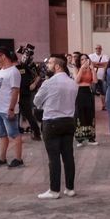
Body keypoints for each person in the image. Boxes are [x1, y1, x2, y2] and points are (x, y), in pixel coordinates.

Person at [31, 55, 78, 200]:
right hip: (68, 120)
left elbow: (37, 101)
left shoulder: (49, 83)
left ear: (57, 66)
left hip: (52, 121)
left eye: (50, 63)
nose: (47, 66)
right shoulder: (72, 83)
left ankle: (54, 189)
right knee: (68, 156)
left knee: (54, 157)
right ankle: (70, 188)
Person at [0, 48, 24, 168]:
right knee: (1, 134)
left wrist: (11, 108)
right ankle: (2, 158)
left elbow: (15, 91)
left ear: (3, 56)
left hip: (7, 108)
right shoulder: (1, 70)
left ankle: (18, 159)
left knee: (13, 134)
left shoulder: (13, 72)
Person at [73, 54, 97, 146]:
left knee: (90, 113)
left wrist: (93, 69)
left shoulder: (90, 69)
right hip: (79, 92)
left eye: (86, 59)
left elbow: (95, 81)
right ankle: (80, 138)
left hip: (88, 91)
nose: (84, 60)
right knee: (80, 113)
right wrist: (82, 69)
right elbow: (77, 80)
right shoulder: (77, 68)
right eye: (82, 59)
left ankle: (91, 137)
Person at [89, 45, 108, 109]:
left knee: (103, 92)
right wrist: (101, 64)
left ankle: (104, 105)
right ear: (95, 49)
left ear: (101, 49)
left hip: (102, 77)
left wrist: (96, 64)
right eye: (97, 48)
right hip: (94, 77)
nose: (98, 49)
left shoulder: (105, 56)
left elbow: (106, 64)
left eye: (99, 48)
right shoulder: (91, 56)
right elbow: (90, 64)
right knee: (92, 92)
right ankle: (91, 106)